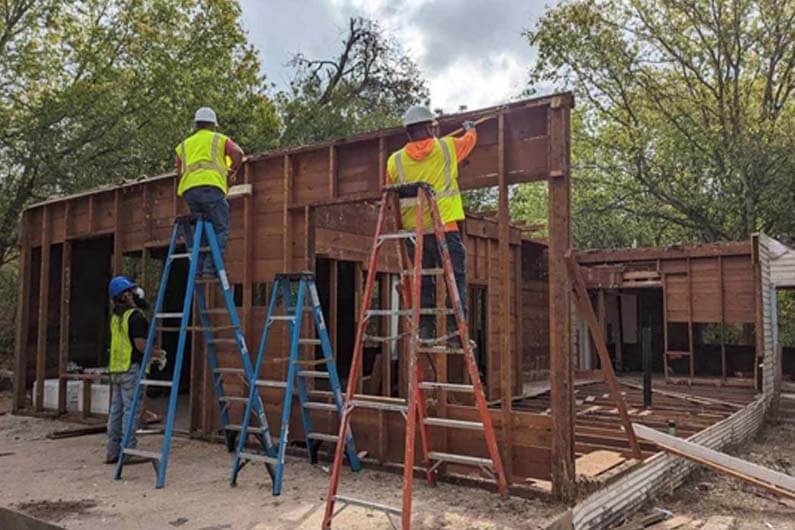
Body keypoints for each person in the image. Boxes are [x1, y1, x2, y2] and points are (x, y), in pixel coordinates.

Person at [386, 105, 477, 344]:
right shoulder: (447, 147)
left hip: (414, 232)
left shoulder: (394, 161)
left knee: (423, 279)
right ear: (429, 127)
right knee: (454, 277)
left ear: (408, 132)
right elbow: (469, 141)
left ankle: (425, 328)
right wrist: (470, 128)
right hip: (444, 226)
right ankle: (457, 332)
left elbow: (391, 193)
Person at [175, 107, 244, 276]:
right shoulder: (219, 139)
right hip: (211, 187)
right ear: (213, 125)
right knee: (221, 228)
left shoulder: (184, 145)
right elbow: (238, 153)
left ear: (196, 125)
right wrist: (231, 172)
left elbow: (178, 171)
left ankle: (198, 268)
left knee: (204, 227)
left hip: (189, 191)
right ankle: (210, 268)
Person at [105, 276, 164, 464]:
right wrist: (157, 354)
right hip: (131, 370)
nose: (133, 293)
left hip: (117, 370)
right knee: (131, 411)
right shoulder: (136, 317)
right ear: (125, 295)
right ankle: (128, 450)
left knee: (116, 411)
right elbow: (140, 345)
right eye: (129, 291)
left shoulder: (117, 317)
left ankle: (112, 451)